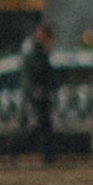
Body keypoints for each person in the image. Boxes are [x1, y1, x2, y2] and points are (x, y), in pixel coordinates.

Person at [20, 14, 56, 165]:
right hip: (37, 92)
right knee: (42, 125)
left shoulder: (37, 49)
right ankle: (17, 145)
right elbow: (39, 71)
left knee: (44, 125)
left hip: (40, 92)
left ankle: (47, 156)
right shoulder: (35, 50)